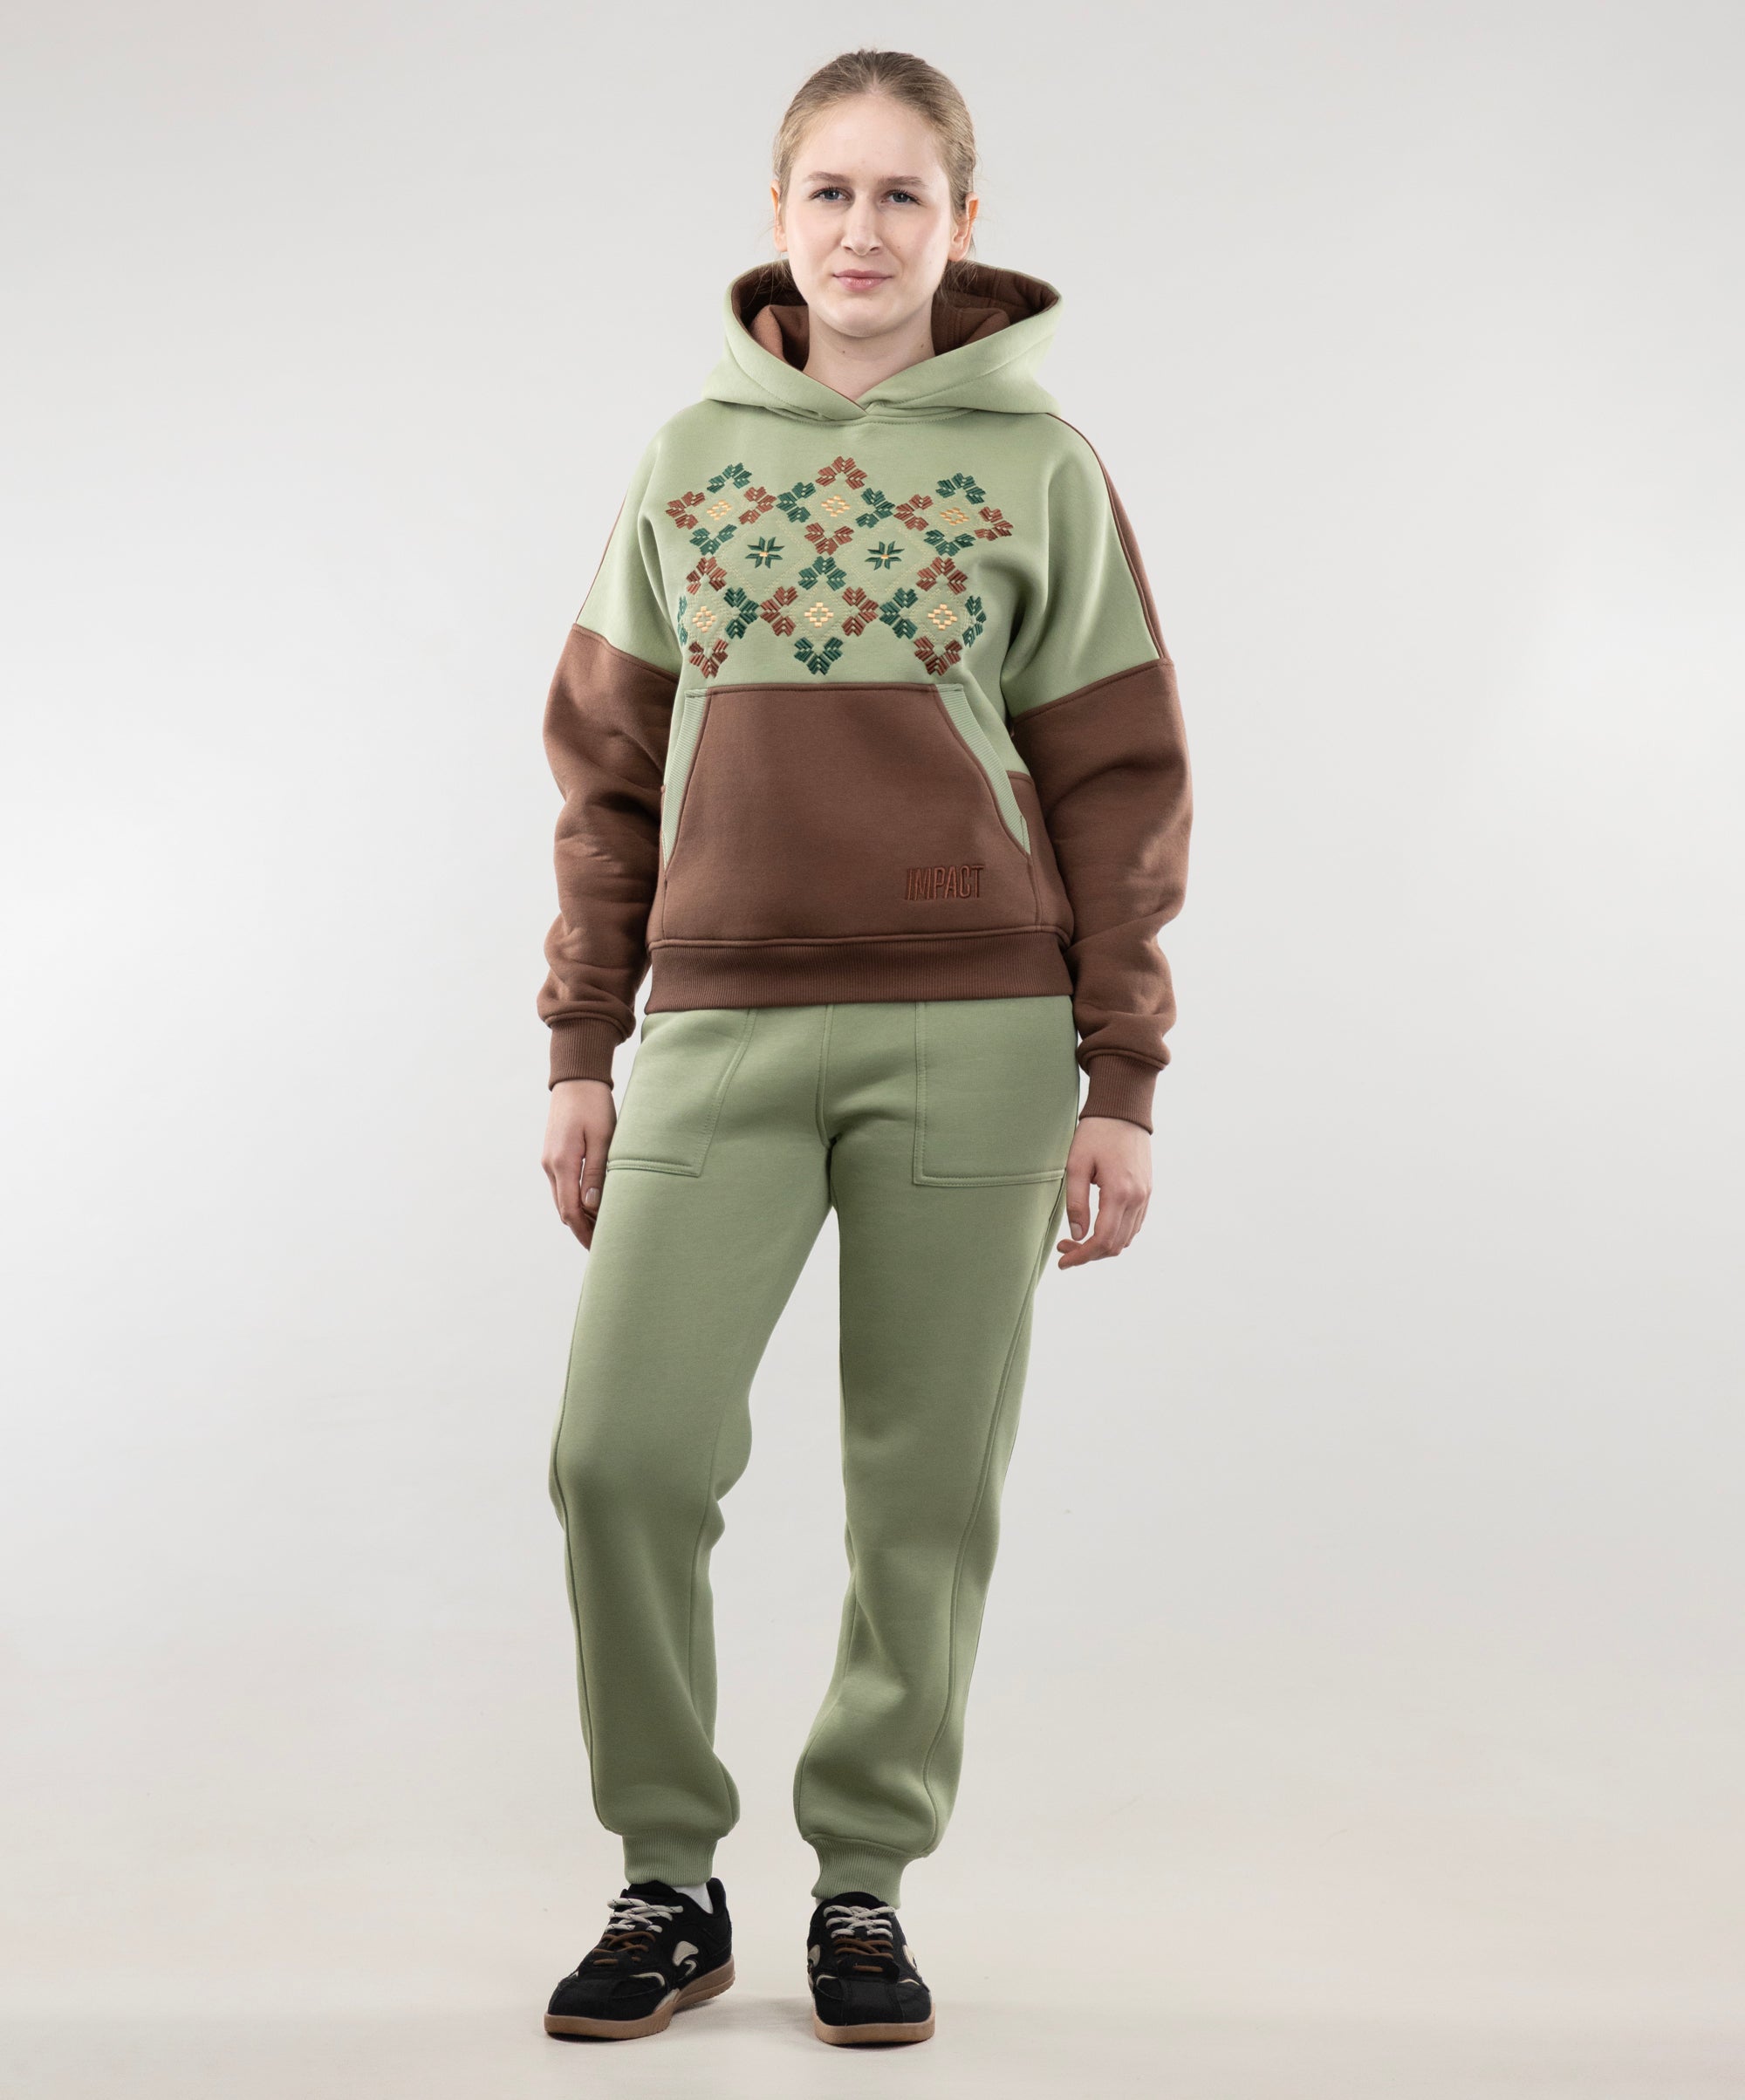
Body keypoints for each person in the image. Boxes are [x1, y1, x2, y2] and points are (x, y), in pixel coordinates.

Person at [534, 47, 1192, 2049]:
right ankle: (668, 1874)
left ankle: (862, 1887)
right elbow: (604, 774)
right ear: (776, 214)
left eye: (904, 195)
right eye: (829, 191)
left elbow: (1118, 780)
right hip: (715, 1031)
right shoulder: (686, 459)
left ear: (961, 225)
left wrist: (1120, 1076)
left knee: (922, 1488)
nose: (862, 230)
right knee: (621, 1457)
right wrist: (581, 1044)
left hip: (975, 1039)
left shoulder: (1040, 466)